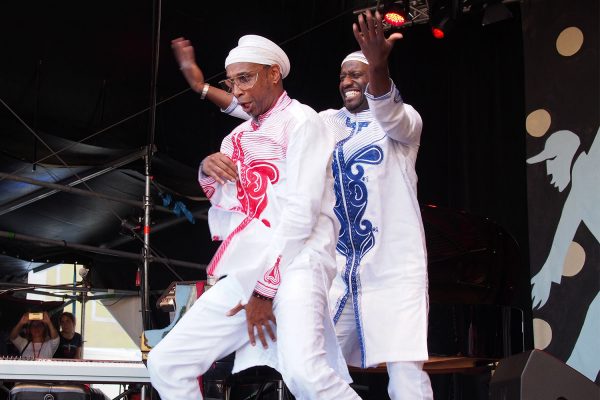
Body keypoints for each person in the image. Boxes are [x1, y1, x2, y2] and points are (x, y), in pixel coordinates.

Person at [176, 10, 434, 399]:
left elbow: (389, 108)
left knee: (404, 369)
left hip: (391, 266)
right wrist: (201, 87)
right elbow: (256, 108)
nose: (348, 80)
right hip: (336, 267)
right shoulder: (326, 122)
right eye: (344, 75)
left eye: (358, 73)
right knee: (310, 367)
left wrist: (378, 67)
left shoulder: (402, 123)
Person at [147, 34, 360, 400]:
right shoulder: (236, 137)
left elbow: (302, 213)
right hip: (250, 269)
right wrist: (206, 169)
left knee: (305, 374)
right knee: (167, 362)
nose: (238, 91)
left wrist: (265, 289)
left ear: (273, 74)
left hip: (299, 263)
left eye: (245, 78)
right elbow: (229, 203)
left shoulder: (302, 121)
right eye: (232, 83)